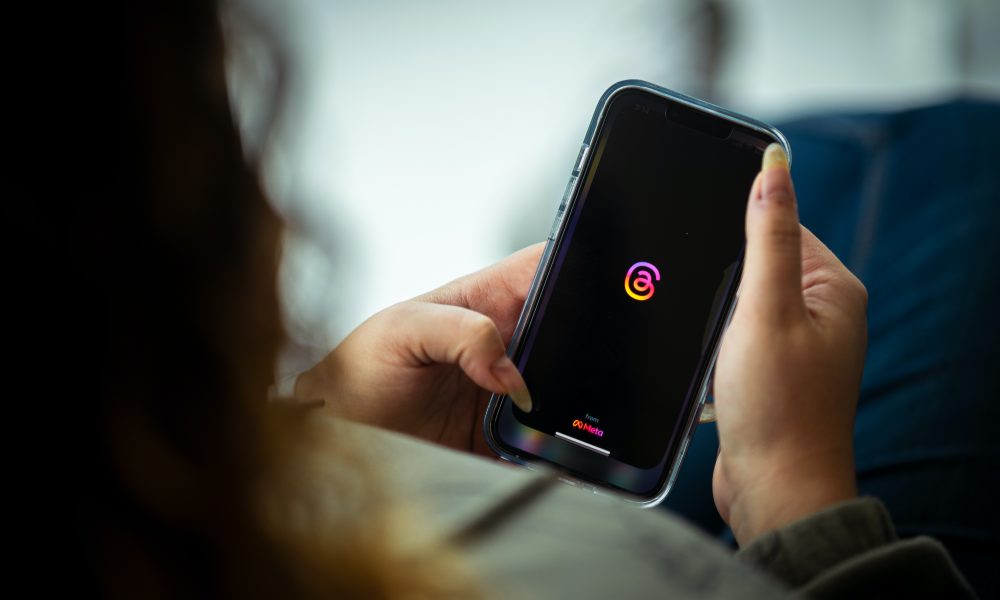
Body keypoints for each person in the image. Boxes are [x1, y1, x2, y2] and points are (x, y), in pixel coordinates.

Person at [79, 2, 977, 597]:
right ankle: (660, 132)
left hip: (462, 488)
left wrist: (323, 434)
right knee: (949, 164)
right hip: (773, 553)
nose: (277, 216)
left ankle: (628, 151)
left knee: (636, 254)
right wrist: (797, 496)